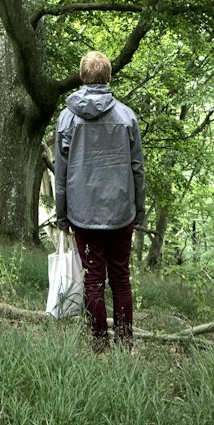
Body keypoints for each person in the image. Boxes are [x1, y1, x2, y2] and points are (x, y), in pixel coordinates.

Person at [54, 50, 146, 351]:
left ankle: (98, 344)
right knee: (120, 277)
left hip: (82, 212)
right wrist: (139, 210)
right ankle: (123, 343)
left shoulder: (67, 118)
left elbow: (62, 171)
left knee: (93, 277)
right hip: (120, 211)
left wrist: (63, 214)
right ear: (108, 77)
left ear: (82, 77)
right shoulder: (126, 116)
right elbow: (137, 168)